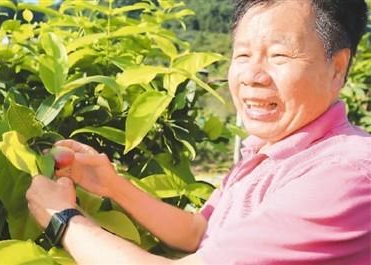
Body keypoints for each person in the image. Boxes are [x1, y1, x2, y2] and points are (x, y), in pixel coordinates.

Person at [26, 0, 371, 264]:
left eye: (278, 55)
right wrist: (111, 185)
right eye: (243, 54)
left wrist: (62, 220)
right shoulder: (268, 151)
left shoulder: (346, 175)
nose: (252, 75)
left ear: (337, 68)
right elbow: (199, 232)